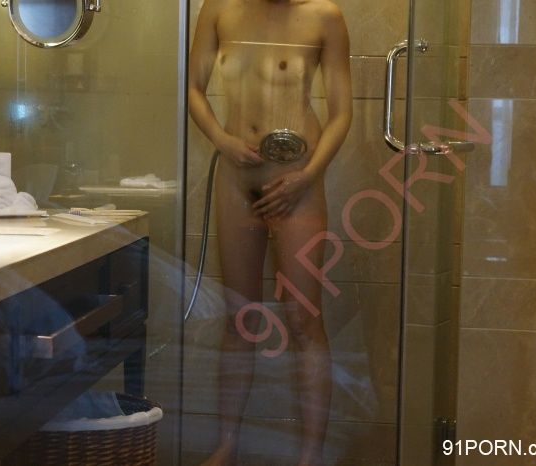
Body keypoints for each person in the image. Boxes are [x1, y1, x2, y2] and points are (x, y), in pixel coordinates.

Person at [188, 1, 352, 464]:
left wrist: (309, 175)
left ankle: (310, 455)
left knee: (303, 320)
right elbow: (194, 88)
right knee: (239, 318)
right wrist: (221, 139)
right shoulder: (219, 8)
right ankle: (227, 445)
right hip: (237, 177)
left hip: (297, 181)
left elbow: (342, 113)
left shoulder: (324, 15)